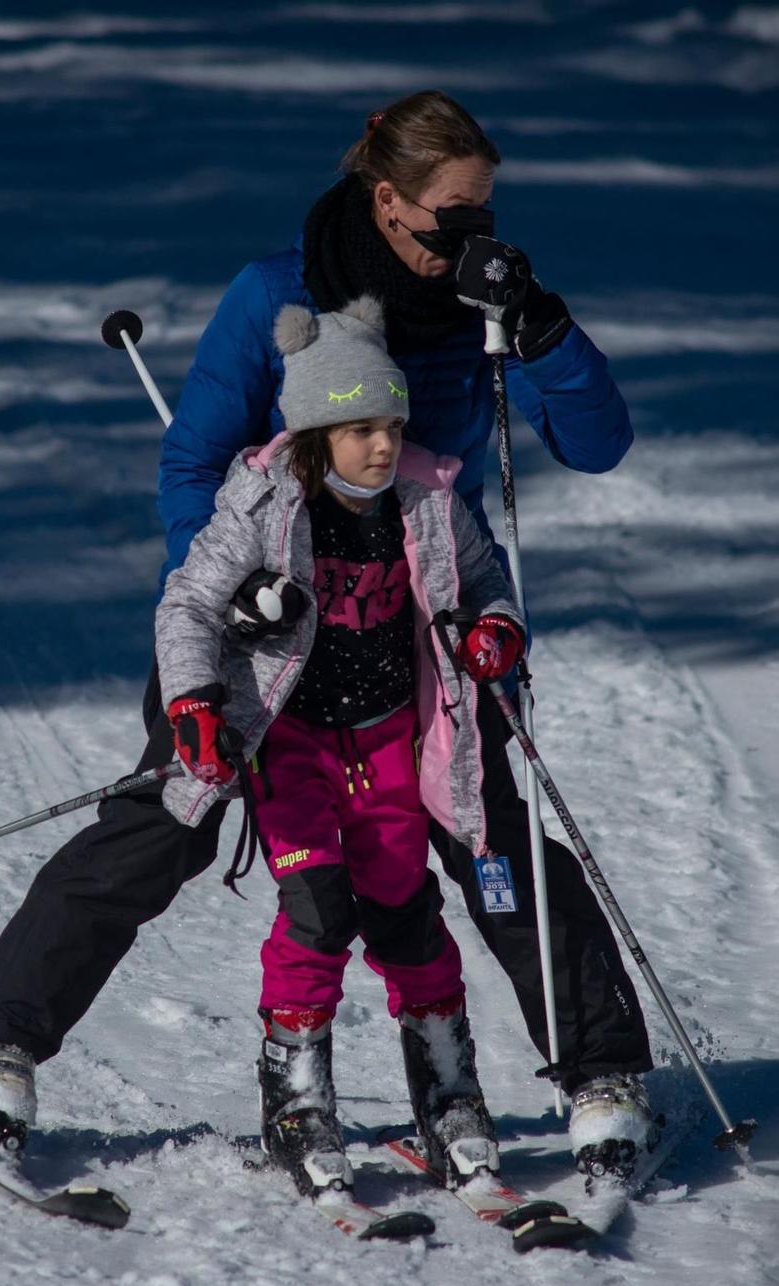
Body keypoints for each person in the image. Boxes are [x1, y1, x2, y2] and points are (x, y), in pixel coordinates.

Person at [0, 90, 659, 1180]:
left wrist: (543, 323)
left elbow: (597, 445)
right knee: (165, 819)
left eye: (485, 219)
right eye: (448, 221)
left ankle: (600, 1071)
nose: (470, 244)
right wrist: (235, 598)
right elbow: (193, 466)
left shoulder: (484, 309)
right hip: (263, 624)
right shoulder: (276, 291)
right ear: (385, 200)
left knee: (491, 837)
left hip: (415, 632)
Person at [152, 296, 523, 1197]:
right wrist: (196, 700)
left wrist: (496, 632)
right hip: (296, 748)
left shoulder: (430, 501)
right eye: (358, 428)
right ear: (316, 429)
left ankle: (448, 1091)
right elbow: (189, 604)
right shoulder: (264, 502)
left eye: (390, 423)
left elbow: (486, 584)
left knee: (404, 908)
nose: (382, 444)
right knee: (317, 910)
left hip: (391, 739)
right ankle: (299, 1099)